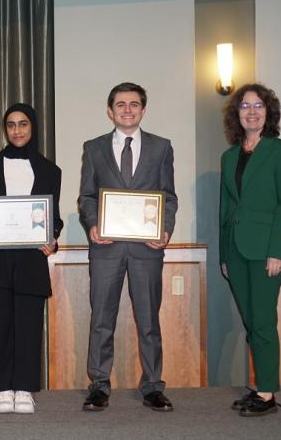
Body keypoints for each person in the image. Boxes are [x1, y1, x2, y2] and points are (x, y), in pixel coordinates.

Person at [78, 82, 178, 412]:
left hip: (147, 248)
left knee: (149, 320)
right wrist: (93, 224)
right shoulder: (93, 148)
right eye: (121, 104)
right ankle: (99, 386)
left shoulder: (162, 147)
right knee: (101, 319)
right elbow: (87, 196)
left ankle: (152, 386)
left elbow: (168, 196)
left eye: (134, 104)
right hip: (106, 247)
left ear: (143, 110)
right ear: (110, 111)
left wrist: (164, 229)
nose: (127, 109)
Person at [0, 103, 63, 414]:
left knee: (27, 324)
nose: (17, 130)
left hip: (30, 259)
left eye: (23, 124)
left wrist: (53, 238)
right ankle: (2, 389)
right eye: (11, 125)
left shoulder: (51, 170)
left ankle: (24, 387)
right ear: (5, 129)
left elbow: (56, 218)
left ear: (33, 127)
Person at [219, 84, 281, 417]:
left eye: (258, 106)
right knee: (252, 322)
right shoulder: (229, 156)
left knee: (263, 321)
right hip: (235, 252)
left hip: (266, 250)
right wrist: (223, 255)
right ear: (236, 114)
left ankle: (266, 393)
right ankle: (261, 388)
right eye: (245, 106)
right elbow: (225, 208)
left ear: (269, 112)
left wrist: (278, 250)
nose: (252, 111)